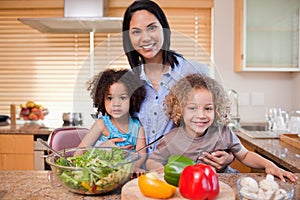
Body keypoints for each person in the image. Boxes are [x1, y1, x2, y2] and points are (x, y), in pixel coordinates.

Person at [103, 0, 233, 171]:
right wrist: (104, 146)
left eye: (152, 28)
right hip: (141, 174)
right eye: (136, 32)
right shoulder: (127, 82)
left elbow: (216, 128)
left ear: (164, 29)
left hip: (185, 174)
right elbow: (113, 123)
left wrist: (228, 156)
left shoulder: (194, 71)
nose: (145, 38)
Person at [146, 73, 298, 182]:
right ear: (180, 109)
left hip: (224, 184)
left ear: (216, 109)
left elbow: (244, 155)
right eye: (192, 108)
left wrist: (268, 164)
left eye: (208, 108)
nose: (201, 115)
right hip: (188, 188)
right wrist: (160, 170)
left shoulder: (223, 132)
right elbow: (152, 161)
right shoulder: (171, 138)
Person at [76, 68, 147, 175]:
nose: (116, 104)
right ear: (101, 99)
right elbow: (78, 153)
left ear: (132, 98)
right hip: (102, 175)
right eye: (110, 98)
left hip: (125, 175)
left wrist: (135, 167)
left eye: (122, 98)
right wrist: (102, 150)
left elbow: (141, 153)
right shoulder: (102, 124)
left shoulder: (137, 126)